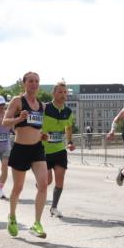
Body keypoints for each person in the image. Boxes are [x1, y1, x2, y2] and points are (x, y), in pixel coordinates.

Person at [2, 71, 48, 238]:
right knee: (18, 187)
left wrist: (42, 135)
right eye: (30, 81)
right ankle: (12, 217)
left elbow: (36, 126)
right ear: (24, 83)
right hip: (20, 149)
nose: (34, 84)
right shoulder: (17, 101)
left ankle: (37, 223)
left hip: (37, 149)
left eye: (36, 81)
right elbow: (5, 122)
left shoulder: (41, 105)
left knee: (43, 184)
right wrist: (18, 119)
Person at [42, 81, 77, 217]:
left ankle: (54, 207)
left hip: (59, 150)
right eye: (60, 92)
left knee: (60, 180)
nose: (63, 95)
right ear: (53, 93)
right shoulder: (45, 108)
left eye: (65, 92)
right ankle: (40, 186)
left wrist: (70, 142)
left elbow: (68, 128)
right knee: (47, 181)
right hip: (44, 150)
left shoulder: (68, 111)